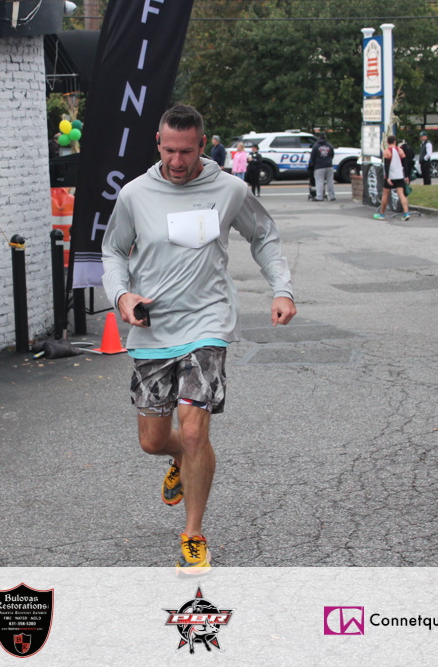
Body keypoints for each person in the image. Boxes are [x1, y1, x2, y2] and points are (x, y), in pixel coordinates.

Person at [101, 104, 296, 575]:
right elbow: (113, 251)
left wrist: (282, 288)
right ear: (157, 142)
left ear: (203, 145)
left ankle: (193, 536)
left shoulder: (229, 189)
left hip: (208, 323)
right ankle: (178, 459)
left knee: (193, 431)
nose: (177, 161)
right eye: (169, 150)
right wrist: (122, 296)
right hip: (152, 327)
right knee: (153, 441)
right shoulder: (135, 194)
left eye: (186, 151)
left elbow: (264, 236)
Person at [373, 136, 411, 221]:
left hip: (391, 176)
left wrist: (387, 177)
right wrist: (406, 176)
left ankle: (382, 214)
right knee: (401, 194)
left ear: (387, 142)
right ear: (395, 141)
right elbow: (405, 164)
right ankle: (406, 213)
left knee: (385, 194)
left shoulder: (386, 152)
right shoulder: (400, 150)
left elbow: (386, 166)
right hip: (399, 175)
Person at [309, 134, 336, 201]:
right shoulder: (329, 145)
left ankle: (319, 197)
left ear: (319, 137)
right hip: (329, 165)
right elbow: (332, 154)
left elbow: (312, 157)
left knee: (319, 181)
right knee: (330, 181)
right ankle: (332, 196)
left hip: (319, 166)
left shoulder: (316, 146)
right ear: (325, 138)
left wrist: (312, 164)